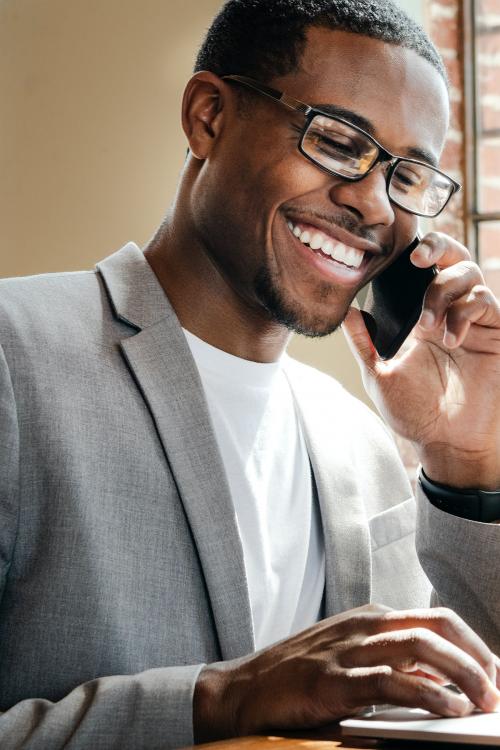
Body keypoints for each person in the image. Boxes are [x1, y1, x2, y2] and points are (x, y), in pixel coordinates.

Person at [0, 0, 499, 747]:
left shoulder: (363, 446)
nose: (371, 201)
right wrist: (221, 701)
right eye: (336, 140)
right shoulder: (14, 356)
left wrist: (464, 460)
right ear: (208, 117)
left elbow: (467, 703)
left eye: (408, 177)